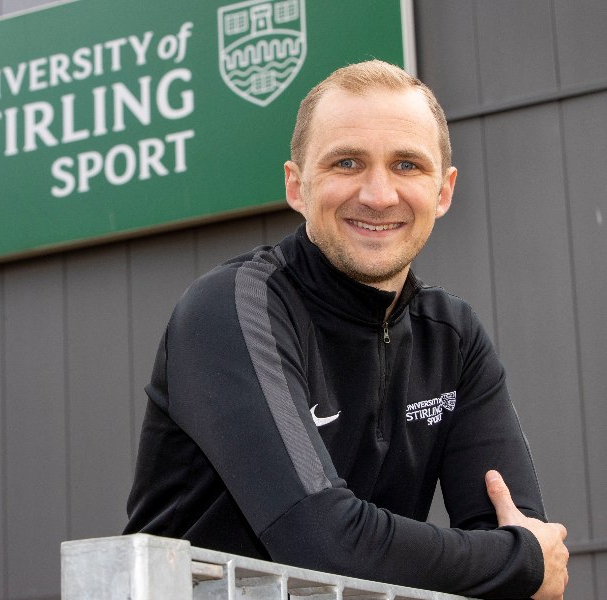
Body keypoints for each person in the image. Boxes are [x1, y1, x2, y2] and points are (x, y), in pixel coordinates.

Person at [123, 59, 569, 599]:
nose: (379, 195)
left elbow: (518, 550)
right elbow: (322, 545)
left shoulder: (450, 337)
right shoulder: (233, 308)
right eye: (347, 163)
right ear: (297, 186)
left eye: (407, 165)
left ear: (444, 190)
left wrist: (513, 561)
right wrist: (517, 560)